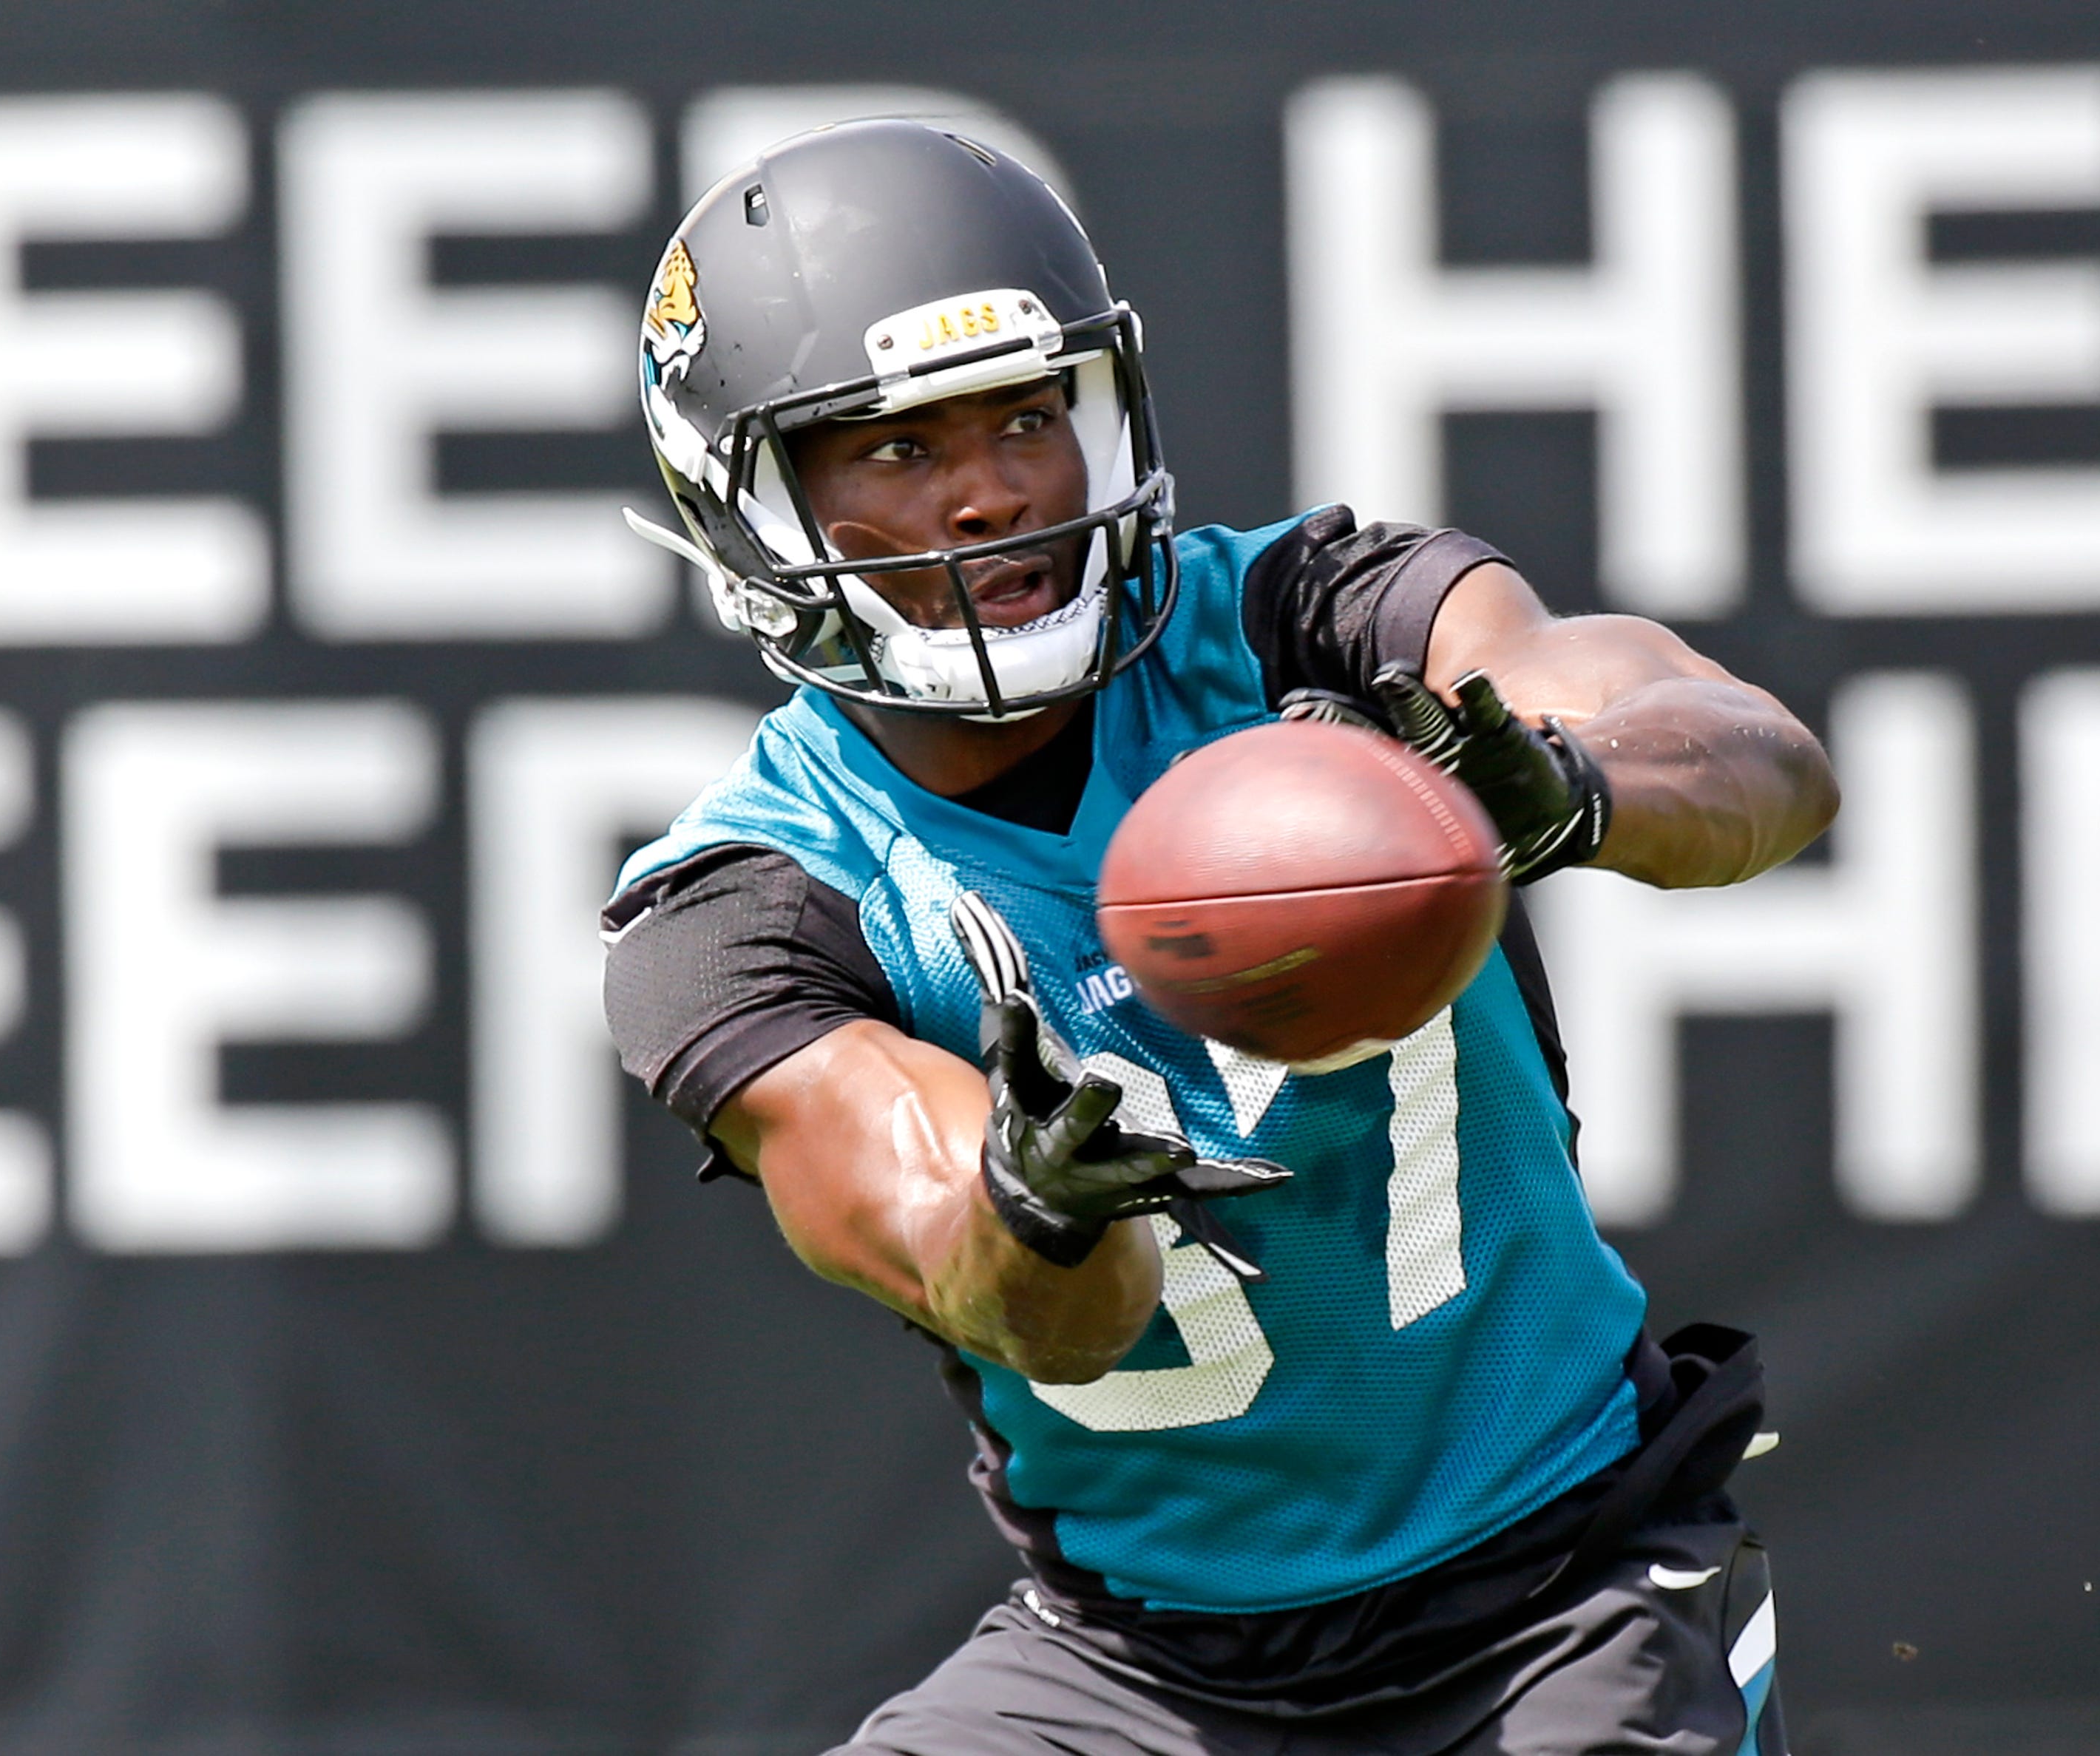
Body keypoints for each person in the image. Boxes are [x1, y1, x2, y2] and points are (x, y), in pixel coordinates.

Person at [604, 118, 1837, 1756]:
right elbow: (1018, 1291)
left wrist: (1569, 788)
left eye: (1030, 416)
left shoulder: (1306, 619)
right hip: (1136, 1671)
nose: (992, 490)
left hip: (1565, 1585)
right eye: (899, 452)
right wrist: (1040, 1209)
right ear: (752, 502)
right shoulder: (748, 909)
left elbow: (1762, 764)